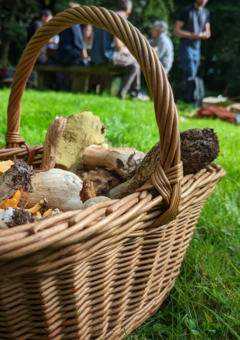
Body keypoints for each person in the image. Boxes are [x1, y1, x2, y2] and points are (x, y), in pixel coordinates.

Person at [91, 0, 149, 100]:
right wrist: (124, 49)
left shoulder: (104, 16)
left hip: (95, 58)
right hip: (107, 57)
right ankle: (128, 94)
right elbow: (117, 43)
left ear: (117, 8)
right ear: (129, 12)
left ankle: (135, 92)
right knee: (136, 62)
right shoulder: (120, 19)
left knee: (132, 65)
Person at [173, 0, 211, 80]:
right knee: (189, 72)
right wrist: (191, 35)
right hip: (185, 46)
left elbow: (207, 31)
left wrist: (206, 34)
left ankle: (188, 91)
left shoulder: (206, 12)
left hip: (197, 48)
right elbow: (176, 31)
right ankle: (186, 91)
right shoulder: (187, 10)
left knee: (193, 74)